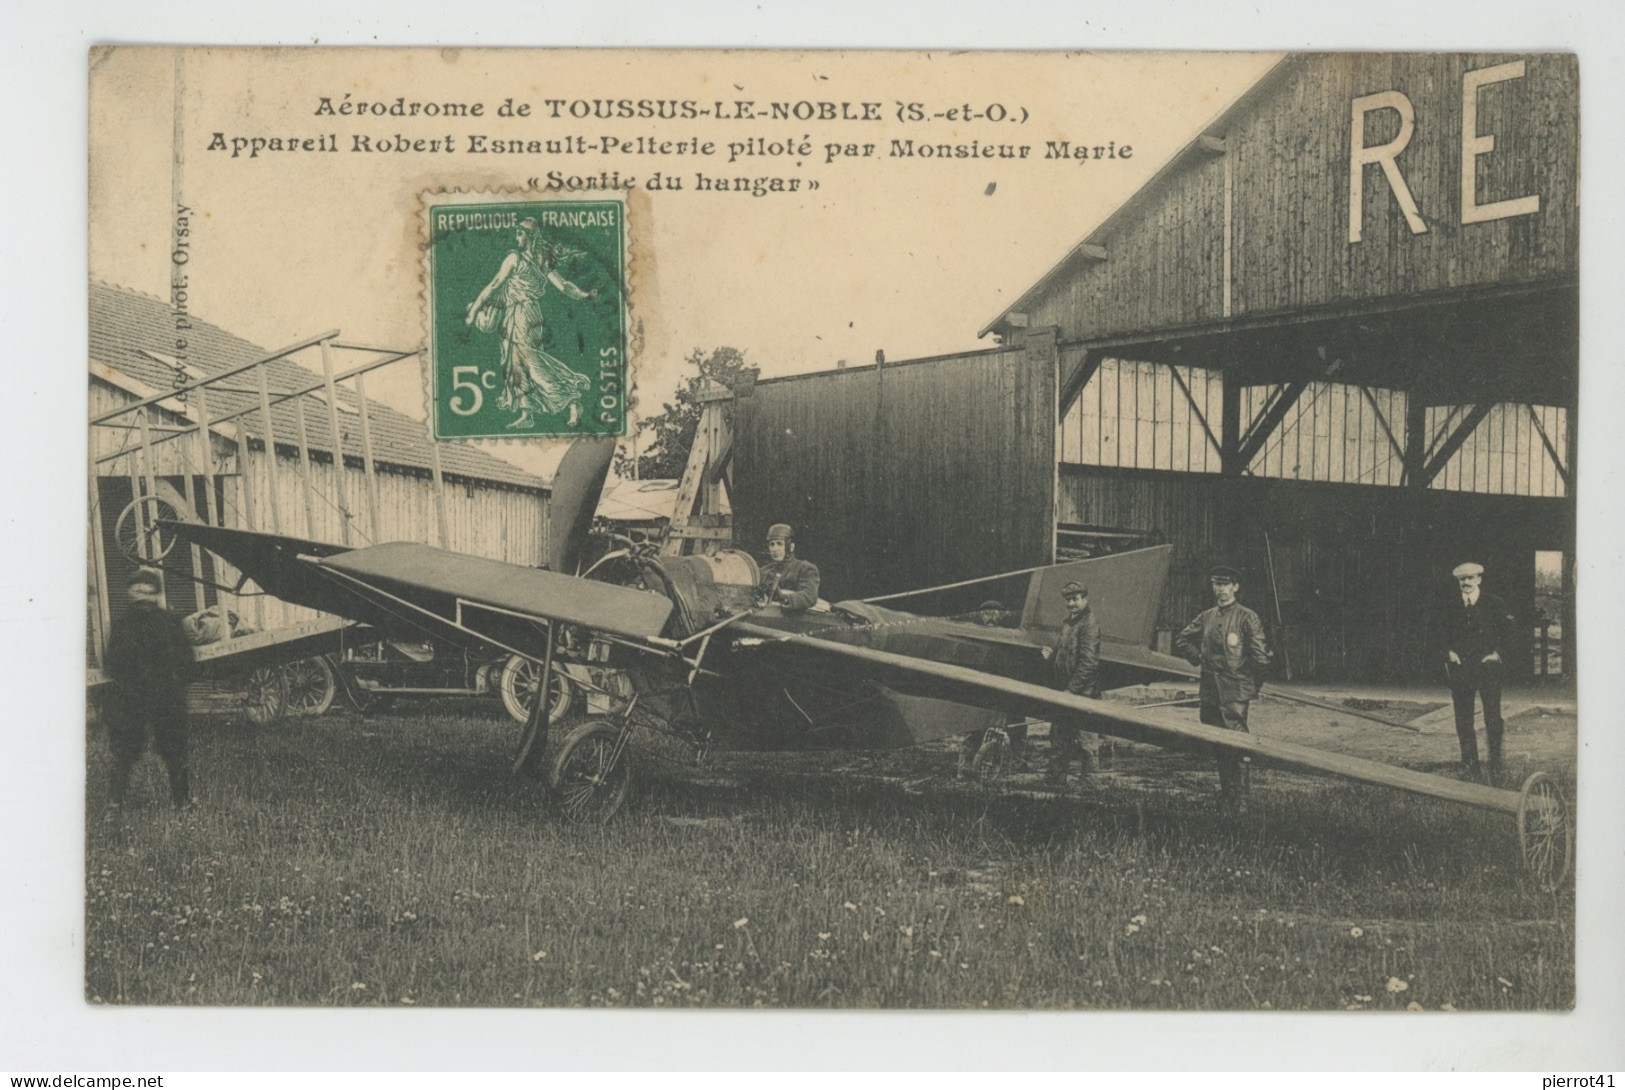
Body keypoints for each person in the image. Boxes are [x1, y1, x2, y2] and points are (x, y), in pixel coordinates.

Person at [465, 218, 597, 430]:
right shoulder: (539, 260)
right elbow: (563, 286)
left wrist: (473, 311)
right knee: (516, 365)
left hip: (523, 314)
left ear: (530, 235)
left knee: (530, 361)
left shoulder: (516, 259)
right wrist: (583, 295)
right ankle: (527, 413)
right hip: (520, 314)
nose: (517, 237)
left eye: (520, 233)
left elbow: (494, 285)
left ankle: (572, 398)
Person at [1175, 564, 1271, 812]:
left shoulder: (1247, 617)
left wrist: (1249, 684)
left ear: (1236, 587)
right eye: (1216, 584)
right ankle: (1228, 796)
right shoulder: (1206, 617)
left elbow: (1261, 658)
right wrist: (1198, 657)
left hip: (1234, 692)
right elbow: (1182, 638)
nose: (1221, 590)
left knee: (1237, 744)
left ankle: (1240, 802)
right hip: (1209, 691)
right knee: (1218, 743)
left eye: (1226, 584)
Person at [102, 569, 195, 809]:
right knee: (173, 750)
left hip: (132, 697)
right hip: (164, 695)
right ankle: (182, 804)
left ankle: (115, 804)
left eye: (143, 590)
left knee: (125, 752)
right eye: (139, 590)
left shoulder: (122, 626)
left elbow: (111, 666)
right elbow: (188, 665)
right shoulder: (170, 622)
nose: (141, 595)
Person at [1443, 561, 1515, 777]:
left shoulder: (1495, 603)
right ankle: (1470, 764)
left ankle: (1495, 763)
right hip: (1461, 668)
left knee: (1493, 716)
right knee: (1463, 718)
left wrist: (1497, 654)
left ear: (1479, 580)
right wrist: (1448, 652)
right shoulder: (1451, 606)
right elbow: (1440, 633)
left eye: (1470, 578)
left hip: (1487, 668)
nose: (1466, 583)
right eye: (1462, 579)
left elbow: (1509, 634)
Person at [956, 599, 1029, 777]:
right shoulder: (974, 634)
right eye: (986, 613)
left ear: (1002, 615)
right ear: (980, 615)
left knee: (1017, 725)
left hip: (1006, 687)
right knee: (974, 728)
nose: (990, 616)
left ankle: (1018, 763)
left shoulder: (1011, 635)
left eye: (995, 613)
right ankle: (964, 768)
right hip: (982, 689)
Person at [1041, 580, 1104, 781]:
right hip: (1066, 690)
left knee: (1087, 741)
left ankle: (1092, 785)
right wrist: (1052, 653)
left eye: (1075, 599)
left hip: (1083, 694)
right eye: (1068, 600)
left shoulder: (1089, 624)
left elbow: (1089, 664)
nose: (1071, 604)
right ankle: (1055, 780)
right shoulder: (1069, 622)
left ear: (1085, 599)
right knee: (1059, 737)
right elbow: (1065, 651)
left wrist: (1071, 690)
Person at [758, 523, 821, 610]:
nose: (775, 549)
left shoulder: (805, 569)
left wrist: (784, 598)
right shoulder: (762, 572)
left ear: (791, 547)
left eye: (779, 544)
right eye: (772, 544)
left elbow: (809, 596)